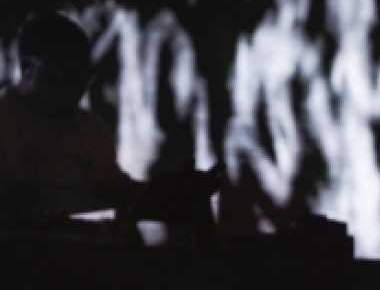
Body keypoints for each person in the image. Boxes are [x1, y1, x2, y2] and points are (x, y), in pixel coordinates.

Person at [0, 12, 222, 239]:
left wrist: (176, 195)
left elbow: (115, 189)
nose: (78, 88)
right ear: (27, 68)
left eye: (86, 77)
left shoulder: (88, 127)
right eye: (65, 75)